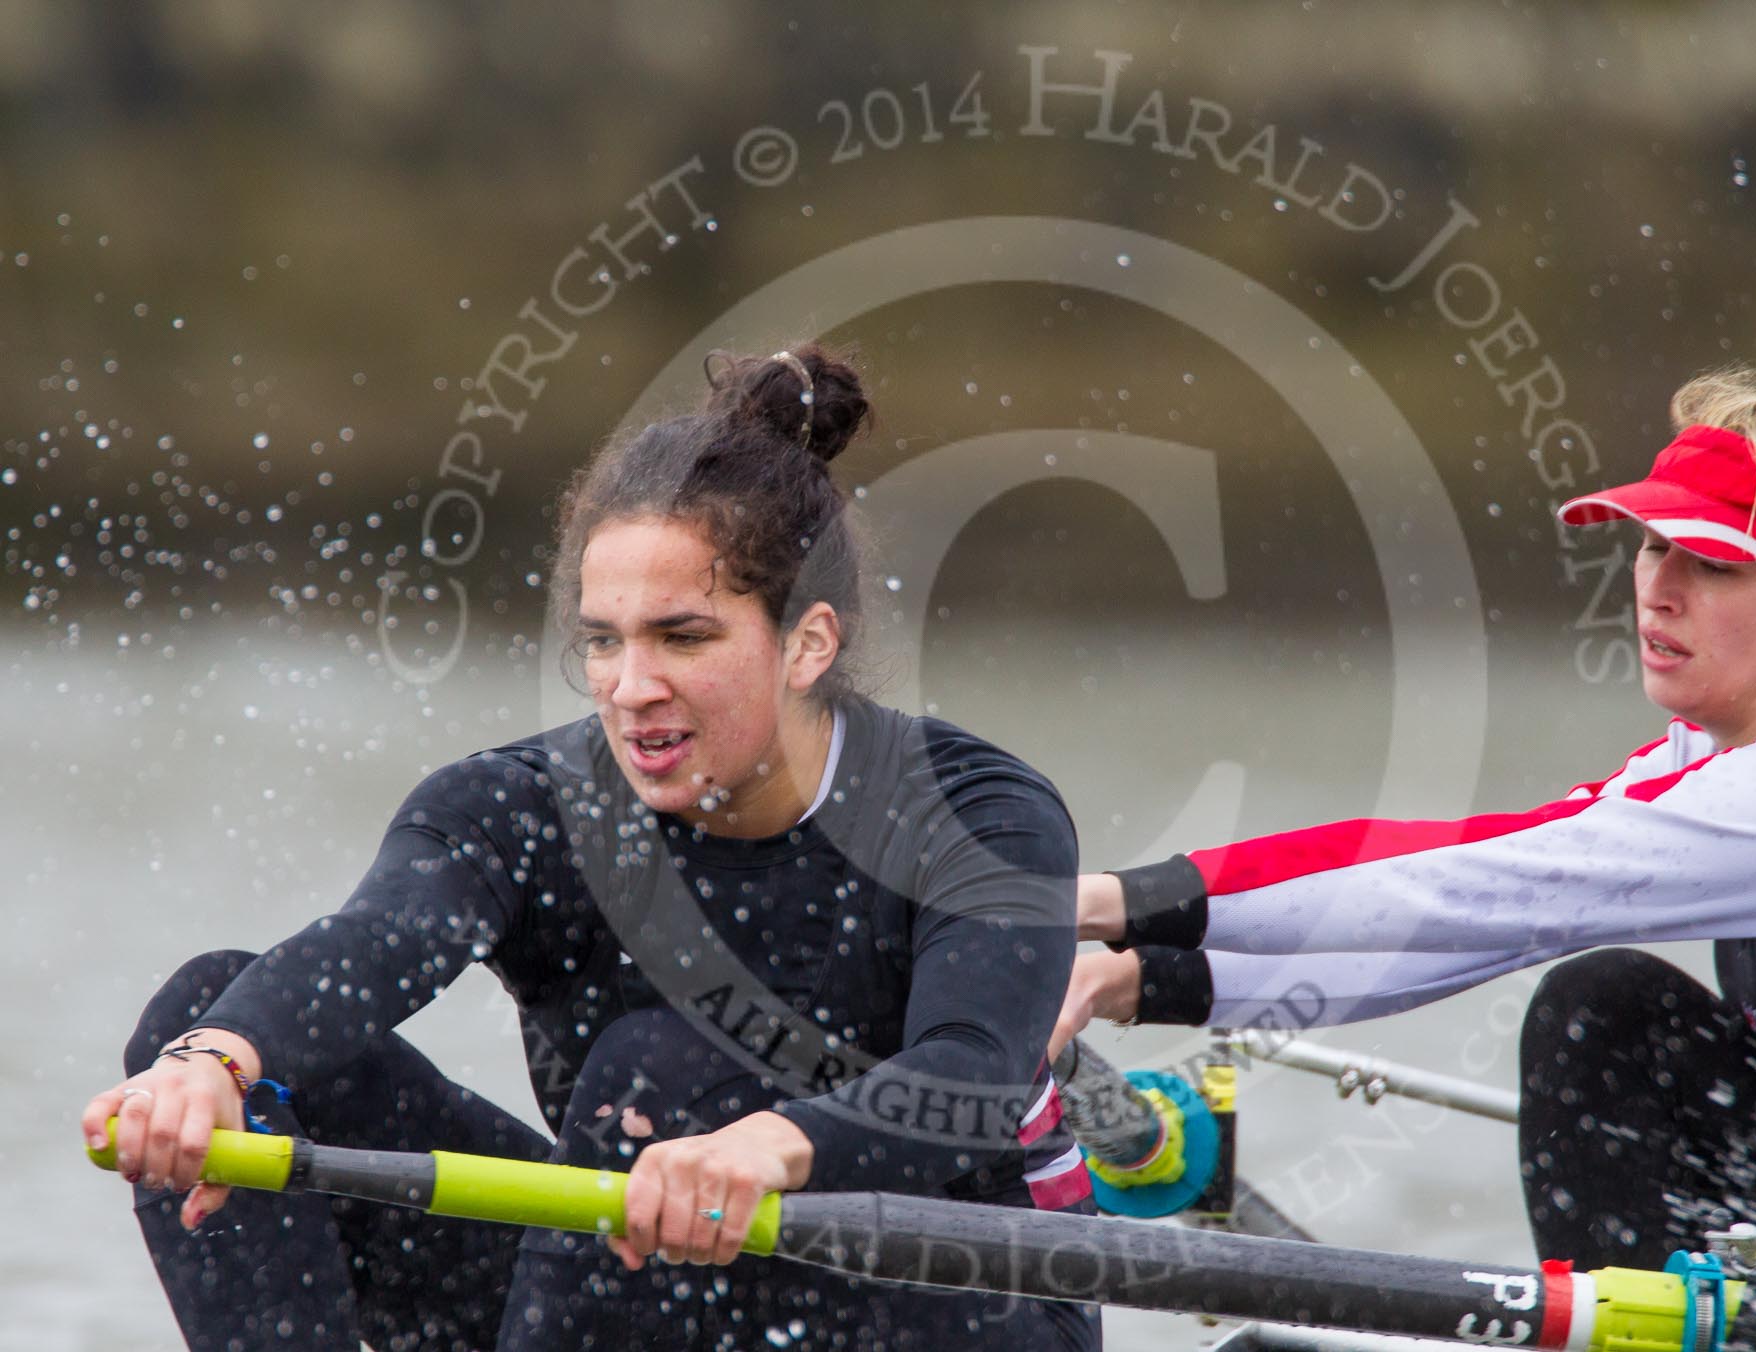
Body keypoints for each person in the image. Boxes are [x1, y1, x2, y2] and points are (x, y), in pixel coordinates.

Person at [82, 344, 1103, 1351]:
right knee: (211, 1017)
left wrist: (770, 1147)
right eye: (604, 639)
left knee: (652, 1074)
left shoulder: (972, 809)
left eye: (683, 636)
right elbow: (376, 943)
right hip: (628, 1273)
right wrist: (212, 1061)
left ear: (807, 641)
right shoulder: (523, 806)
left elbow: (970, 1075)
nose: (629, 684)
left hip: (960, 1296)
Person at [1054, 368, 1756, 1314]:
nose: (1659, 589)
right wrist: (1137, 976)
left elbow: (1465, 885)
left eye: (1716, 563)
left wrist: (1098, 897)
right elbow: (1483, 920)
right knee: (1599, 1006)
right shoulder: (1720, 752)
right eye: (1652, 546)